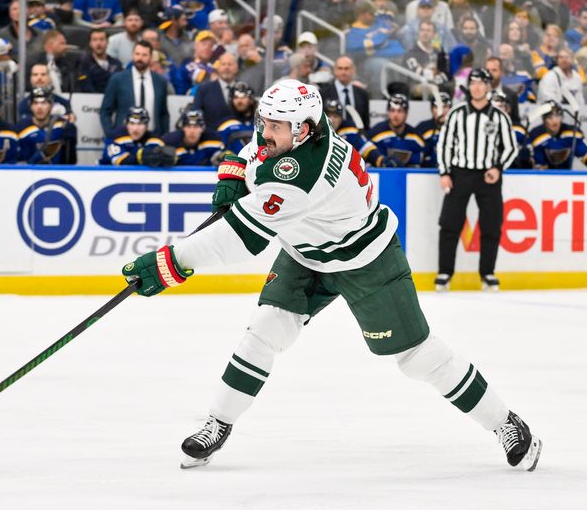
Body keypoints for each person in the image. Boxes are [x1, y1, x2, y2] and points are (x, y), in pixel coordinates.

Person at [119, 79, 542, 473]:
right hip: (306, 252)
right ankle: (219, 422)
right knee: (264, 332)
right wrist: (234, 168)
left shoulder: (303, 176)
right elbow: (257, 149)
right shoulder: (293, 136)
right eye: (263, 120)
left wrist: (169, 262)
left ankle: (506, 422)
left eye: (276, 125)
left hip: (366, 261)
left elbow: (238, 239)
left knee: (419, 358)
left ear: (303, 130)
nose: (265, 130)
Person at [435, 68, 518, 292]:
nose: (477, 87)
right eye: (473, 82)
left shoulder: (500, 116)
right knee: (450, 224)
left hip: (488, 177)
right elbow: (444, 145)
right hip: (460, 174)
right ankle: (444, 272)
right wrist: (444, 172)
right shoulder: (456, 113)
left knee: (491, 225)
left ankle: (487, 273)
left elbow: (511, 147)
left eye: (482, 83)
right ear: (469, 86)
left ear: (489, 86)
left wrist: (498, 168)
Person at [100, 40, 170, 136]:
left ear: (151, 57)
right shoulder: (118, 79)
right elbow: (105, 111)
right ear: (132, 55)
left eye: (144, 55)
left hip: (152, 137)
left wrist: (163, 136)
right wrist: (111, 134)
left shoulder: (160, 81)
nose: (140, 58)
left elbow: (163, 113)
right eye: (137, 54)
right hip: (124, 136)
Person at [325, 99, 392, 167]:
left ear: (341, 118)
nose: (331, 120)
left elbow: (366, 147)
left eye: (335, 116)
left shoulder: (349, 132)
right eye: (328, 116)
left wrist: (380, 160)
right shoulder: (318, 131)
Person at [99, 106, 174, 166]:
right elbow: (122, 162)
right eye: (132, 124)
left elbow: (160, 156)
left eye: (140, 124)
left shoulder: (153, 138)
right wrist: (141, 155)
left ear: (147, 126)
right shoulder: (115, 136)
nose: (135, 129)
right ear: (126, 124)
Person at [367, 94, 425, 167]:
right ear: (388, 112)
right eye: (392, 110)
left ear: (406, 113)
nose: (395, 115)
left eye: (400, 111)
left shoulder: (416, 137)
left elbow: (422, 159)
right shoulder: (375, 133)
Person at [16, 87, 69, 164]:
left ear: (51, 105)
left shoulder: (62, 126)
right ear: (30, 106)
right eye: (35, 103)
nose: (39, 107)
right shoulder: (21, 127)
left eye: (44, 103)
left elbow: (70, 159)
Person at [529, 102, 587, 169]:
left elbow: (584, 156)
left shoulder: (571, 133)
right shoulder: (537, 134)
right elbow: (536, 167)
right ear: (544, 120)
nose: (555, 121)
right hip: (544, 177)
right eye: (550, 117)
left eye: (557, 116)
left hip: (566, 176)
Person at [319, 56, 370, 131]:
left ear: (353, 70)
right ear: (334, 70)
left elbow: (366, 122)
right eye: (340, 68)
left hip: (356, 138)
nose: (343, 72)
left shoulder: (362, 93)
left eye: (346, 68)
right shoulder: (323, 93)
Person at [402, 19, 450, 99]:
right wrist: (435, 74)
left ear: (434, 34)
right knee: (433, 88)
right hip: (415, 87)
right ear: (418, 33)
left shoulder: (438, 52)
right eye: (422, 30)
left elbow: (446, 73)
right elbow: (418, 74)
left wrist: (435, 77)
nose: (425, 33)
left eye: (428, 31)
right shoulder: (410, 53)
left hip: (437, 85)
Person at [193, 53, 238, 131]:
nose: (226, 67)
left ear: (237, 68)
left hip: (239, 138)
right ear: (218, 68)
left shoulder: (244, 88)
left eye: (230, 64)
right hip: (212, 138)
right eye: (223, 64)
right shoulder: (204, 89)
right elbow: (195, 113)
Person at [537, 47, 586, 115]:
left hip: (573, 115)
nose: (564, 60)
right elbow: (548, 101)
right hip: (551, 115)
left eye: (567, 57)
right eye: (561, 57)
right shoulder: (550, 77)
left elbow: (580, 101)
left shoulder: (577, 77)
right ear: (557, 60)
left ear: (572, 59)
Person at [490, 90, 532, 169]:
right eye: (495, 107)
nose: (499, 111)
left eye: (501, 106)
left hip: (515, 172)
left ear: (508, 109)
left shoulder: (518, 130)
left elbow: (529, 158)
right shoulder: (483, 128)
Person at [216, 82, 257, 157]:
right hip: (234, 166)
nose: (239, 101)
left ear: (251, 99)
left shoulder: (261, 122)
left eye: (243, 96)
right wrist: (223, 155)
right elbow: (218, 152)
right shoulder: (225, 124)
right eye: (235, 97)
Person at [76, 29, 123, 93]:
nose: (98, 43)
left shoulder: (116, 64)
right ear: (90, 43)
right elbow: (86, 87)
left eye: (102, 39)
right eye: (95, 40)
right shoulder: (83, 63)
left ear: (107, 42)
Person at [172, 30, 217, 95]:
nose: (207, 47)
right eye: (204, 44)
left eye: (211, 45)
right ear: (195, 45)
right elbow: (180, 92)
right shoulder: (186, 67)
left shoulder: (215, 66)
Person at [416, 91, 452, 168]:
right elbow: (416, 153)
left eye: (445, 106)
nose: (441, 111)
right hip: (427, 172)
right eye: (437, 107)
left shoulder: (458, 127)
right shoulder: (423, 128)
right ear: (432, 109)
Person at [485, 57, 520, 123]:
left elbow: (516, 122)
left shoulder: (511, 95)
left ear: (501, 72)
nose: (490, 73)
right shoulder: (477, 94)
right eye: (487, 70)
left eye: (494, 70)